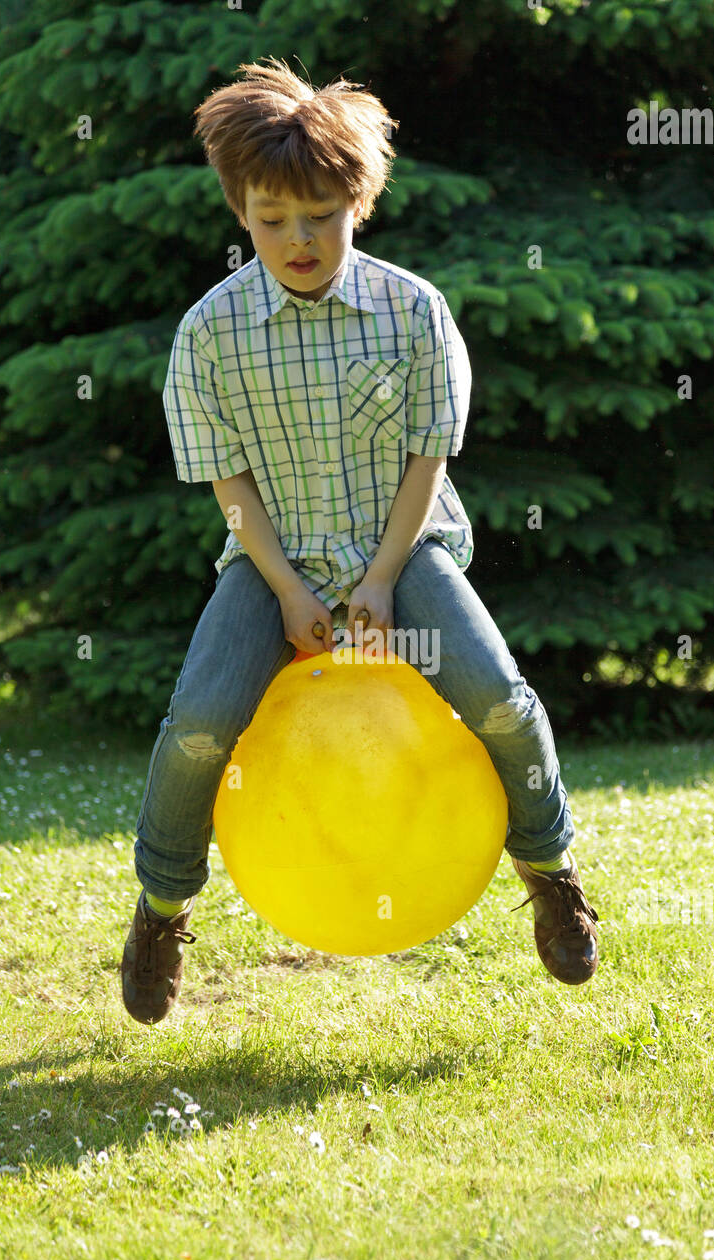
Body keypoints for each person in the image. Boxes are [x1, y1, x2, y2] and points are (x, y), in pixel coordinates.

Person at [121, 58, 600, 1026]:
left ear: (357, 200)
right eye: (270, 218)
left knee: (502, 700)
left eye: (320, 214)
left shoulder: (413, 311)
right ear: (240, 211)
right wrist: (291, 590)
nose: (297, 239)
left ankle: (549, 871)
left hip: (403, 547)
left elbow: (427, 460)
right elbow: (232, 485)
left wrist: (380, 580)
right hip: (269, 562)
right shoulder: (209, 335)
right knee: (201, 720)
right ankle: (160, 908)